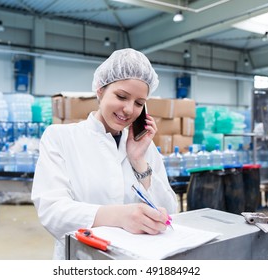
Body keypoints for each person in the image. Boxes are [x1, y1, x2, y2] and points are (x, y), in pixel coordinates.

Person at [31, 48, 178, 259]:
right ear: (100, 90)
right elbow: (52, 211)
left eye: (139, 103)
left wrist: (138, 161)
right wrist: (120, 216)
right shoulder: (60, 137)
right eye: (121, 96)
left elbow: (169, 212)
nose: (128, 109)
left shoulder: (143, 146)